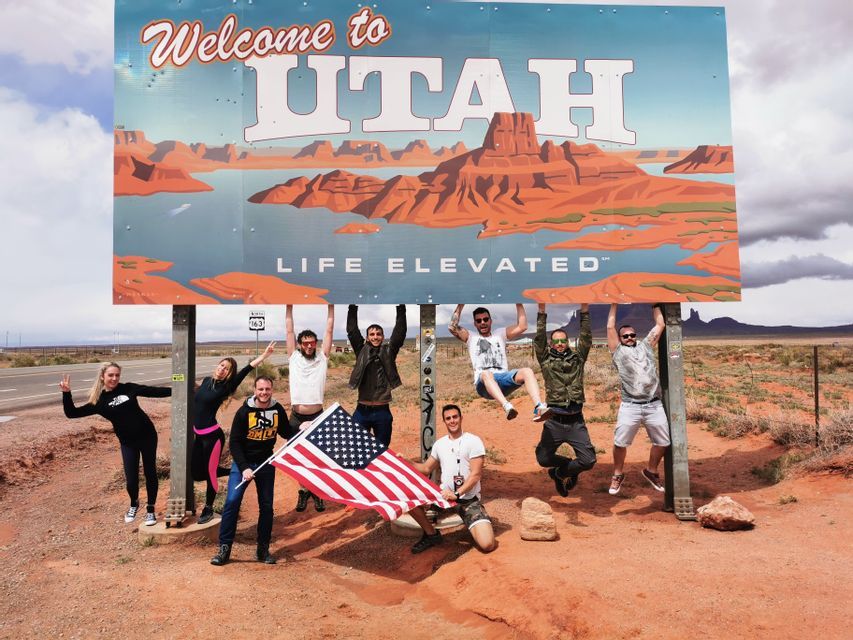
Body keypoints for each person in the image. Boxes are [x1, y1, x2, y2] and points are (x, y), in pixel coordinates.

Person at [60, 363, 171, 526]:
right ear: (102, 377)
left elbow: (154, 391)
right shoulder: (98, 402)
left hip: (147, 436)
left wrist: (182, 388)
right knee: (131, 479)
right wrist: (66, 393)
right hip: (127, 442)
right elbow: (72, 413)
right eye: (111, 375)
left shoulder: (129, 388)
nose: (114, 378)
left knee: (150, 473)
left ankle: (150, 510)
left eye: (117, 375)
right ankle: (134, 504)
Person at [210, 376, 292, 566]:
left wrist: (302, 427)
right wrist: (245, 467)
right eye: (261, 389)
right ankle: (224, 548)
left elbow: (286, 432)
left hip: (266, 464)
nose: (264, 393)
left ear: (272, 390)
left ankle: (263, 549)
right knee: (231, 502)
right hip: (242, 465)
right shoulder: (244, 412)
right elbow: (235, 443)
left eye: (267, 389)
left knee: (266, 507)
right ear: (255, 390)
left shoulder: (277, 409)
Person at [193, 341, 276, 524]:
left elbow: (247, 369)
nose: (222, 369)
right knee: (194, 472)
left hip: (212, 437)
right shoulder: (206, 381)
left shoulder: (226, 387)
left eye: (227, 369)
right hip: (197, 436)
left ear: (229, 374)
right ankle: (231, 470)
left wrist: (263, 356)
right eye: (221, 365)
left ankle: (208, 508)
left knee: (209, 473)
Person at [406, 404, 496, 554]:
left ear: (461, 418)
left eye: (455, 417)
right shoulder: (439, 444)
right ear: (444, 421)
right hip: (444, 497)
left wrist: (457, 494)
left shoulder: (473, 441)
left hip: (467, 499)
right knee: (409, 500)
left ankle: (477, 519)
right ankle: (432, 535)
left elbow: (476, 475)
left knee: (487, 545)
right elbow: (427, 468)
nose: (452, 421)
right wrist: (408, 463)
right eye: (448, 418)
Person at [606, 304, 670, 496]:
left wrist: (655, 303)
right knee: (620, 443)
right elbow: (610, 327)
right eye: (625, 336)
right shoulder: (617, 351)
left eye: (632, 335)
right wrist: (614, 303)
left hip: (653, 404)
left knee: (663, 442)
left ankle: (651, 471)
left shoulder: (646, 346)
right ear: (620, 338)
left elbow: (660, 324)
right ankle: (617, 475)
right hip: (630, 405)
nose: (629, 338)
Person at [534, 303, 597, 496]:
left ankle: (561, 472)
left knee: (588, 461)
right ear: (552, 344)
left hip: (575, 420)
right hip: (554, 421)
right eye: (556, 341)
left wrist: (584, 311)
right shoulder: (545, 360)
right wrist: (541, 313)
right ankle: (565, 467)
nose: (560, 344)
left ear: (568, 342)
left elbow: (586, 337)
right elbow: (539, 340)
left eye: (563, 341)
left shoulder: (578, 359)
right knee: (543, 459)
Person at [449, 303, 549, 421]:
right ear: (475, 323)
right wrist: (461, 304)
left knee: (527, 371)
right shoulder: (471, 337)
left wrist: (519, 303)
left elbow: (522, 326)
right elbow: (453, 327)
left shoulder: (500, 334)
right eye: (479, 320)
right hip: (484, 385)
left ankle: (539, 407)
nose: (483, 322)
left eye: (485, 319)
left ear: (491, 321)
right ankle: (507, 406)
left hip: (503, 379)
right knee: (486, 374)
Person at [286, 303, 334, 513]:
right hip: (296, 417)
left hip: (317, 417)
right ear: (299, 344)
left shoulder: (322, 357)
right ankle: (304, 490)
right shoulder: (293, 358)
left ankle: (317, 492)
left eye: (312, 343)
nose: (309, 346)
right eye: (305, 343)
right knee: (298, 457)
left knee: (318, 457)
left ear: (316, 344)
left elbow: (329, 329)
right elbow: (289, 329)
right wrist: (289, 306)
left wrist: (331, 306)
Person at [346, 304, 406, 447]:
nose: (375, 337)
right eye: (372, 334)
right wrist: (352, 307)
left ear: (383, 337)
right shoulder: (361, 350)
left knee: (382, 451)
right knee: (357, 449)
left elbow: (399, 333)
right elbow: (352, 331)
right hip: (362, 411)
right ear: (367, 337)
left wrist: (401, 308)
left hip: (382, 412)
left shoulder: (389, 351)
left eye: (378, 334)